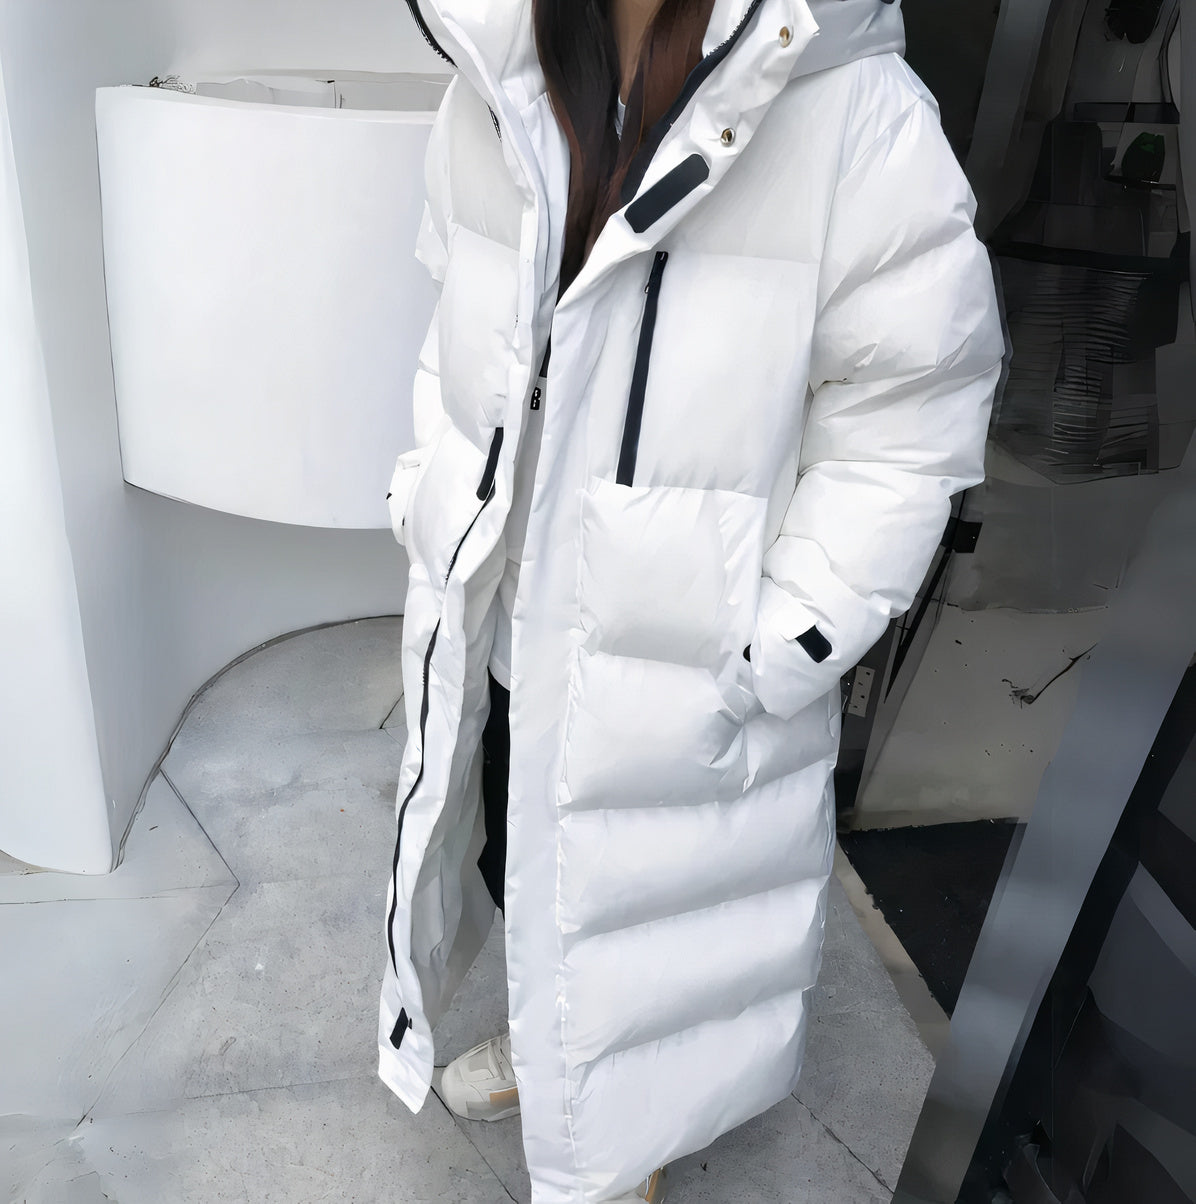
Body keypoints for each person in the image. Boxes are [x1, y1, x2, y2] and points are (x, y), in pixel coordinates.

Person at [379, 0, 1007, 1201]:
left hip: (686, 631)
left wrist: (789, 631)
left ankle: (625, 1137)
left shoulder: (849, 102)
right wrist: (432, 488)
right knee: (526, 849)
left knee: (654, 902)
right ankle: (558, 1052)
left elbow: (909, 411)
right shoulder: (492, 58)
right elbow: (452, 309)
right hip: (508, 605)